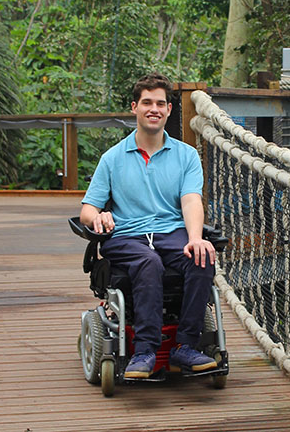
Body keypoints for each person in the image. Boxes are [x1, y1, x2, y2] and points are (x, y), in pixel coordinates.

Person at [80, 72, 217, 378]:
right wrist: (98, 216)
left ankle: (185, 346)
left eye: (160, 103)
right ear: (134, 107)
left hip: (171, 233)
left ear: (169, 109)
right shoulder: (112, 158)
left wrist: (195, 238)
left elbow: (192, 201)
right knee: (148, 261)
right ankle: (144, 351)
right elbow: (87, 210)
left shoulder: (186, 155)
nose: (153, 109)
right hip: (128, 237)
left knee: (201, 257)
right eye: (146, 103)